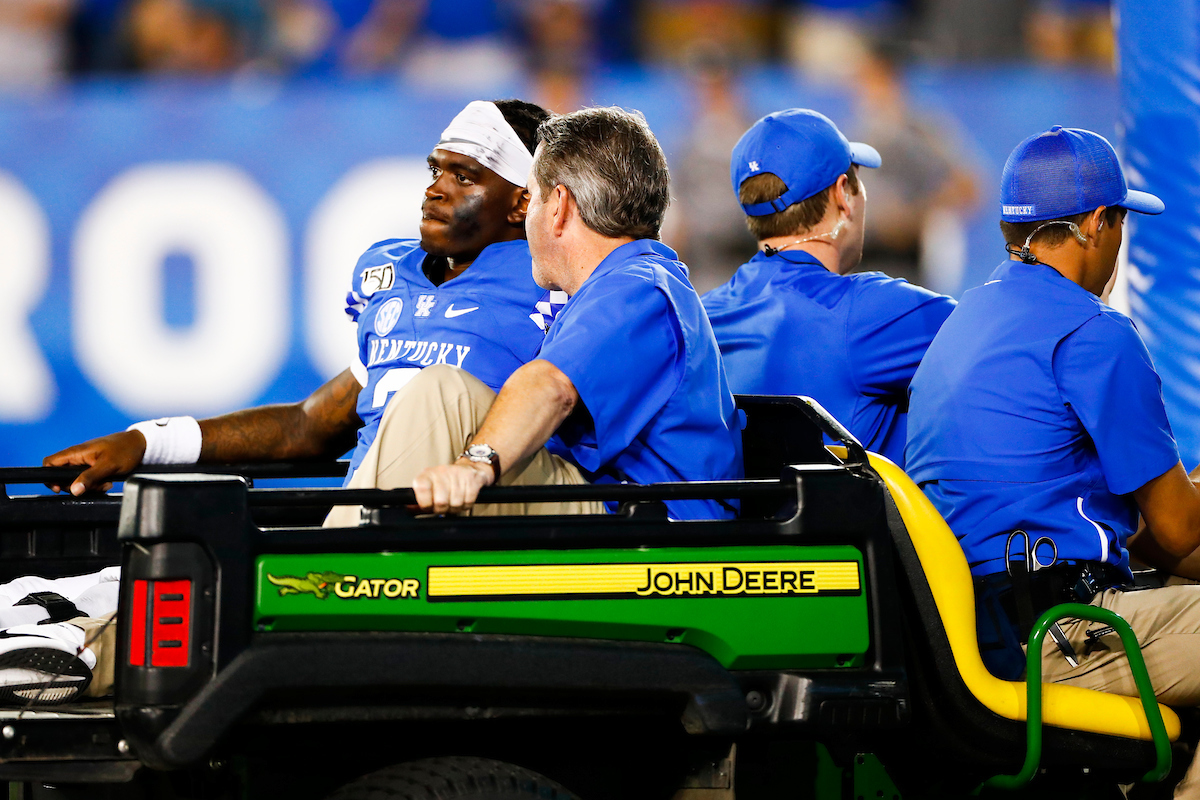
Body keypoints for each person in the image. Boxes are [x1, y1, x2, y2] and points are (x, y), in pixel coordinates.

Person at [25, 98, 555, 703]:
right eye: (435, 170)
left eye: (464, 177)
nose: (436, 190)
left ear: (523, 200)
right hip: (366, 530)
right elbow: (311, 423)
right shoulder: (398, 274)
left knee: (432, 401)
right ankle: (65, 627)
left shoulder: (557, 279)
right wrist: (150, 441)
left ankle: (85, 642)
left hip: (463, 536)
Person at [906, 126, 1200, 797]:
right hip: (1054, 634)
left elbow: (1137, 526)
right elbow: (1180, 532)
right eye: (1122, 221)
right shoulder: (1094, 331)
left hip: (975, 633)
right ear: (1096, 224)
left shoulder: (964, 320)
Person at [369, 106, 744, 521]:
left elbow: (551, 386)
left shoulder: (638, 287)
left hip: (656, 538)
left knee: (440, 394)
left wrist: (476, 463)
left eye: (533, 196)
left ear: (559, 206)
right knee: (444, 394)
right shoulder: (621, 283)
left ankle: (350, 575)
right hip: (618, 510)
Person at [702, 109, 956, 467]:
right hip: (853, 523)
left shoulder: (700, 319)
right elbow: (1007, 341)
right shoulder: (872, 312)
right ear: (842, 194)